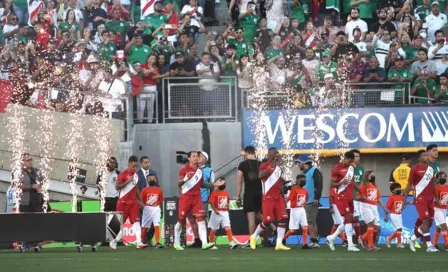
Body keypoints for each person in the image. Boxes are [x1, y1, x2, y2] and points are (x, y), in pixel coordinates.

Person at [173, 151, 224, 250]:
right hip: (186, 198)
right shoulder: (184, 170)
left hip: (197, 198)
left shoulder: (200, 171)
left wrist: (214, 185)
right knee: (181, 220)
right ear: (189, 158)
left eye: (197, 156)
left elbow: (202, 185)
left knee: (201, 219)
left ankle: (204, 243)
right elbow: (179, 184)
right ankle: (176, 242)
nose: (196, 158)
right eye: (194, 156)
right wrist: (184, 180)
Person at [249, 147, 290, 251]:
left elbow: (279, 183)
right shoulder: (264, 165)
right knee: (267, 221)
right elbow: (260, 175)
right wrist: (270, 166)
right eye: (274, 153)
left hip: (278, 198)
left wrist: (284, 198)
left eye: (277, 153)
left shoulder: (278, 168)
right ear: (269, 154)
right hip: (268, 197)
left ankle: (279, 243)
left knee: (283, 218)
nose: (277, 154)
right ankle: (253, 237)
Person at [326, 151, 365, 252]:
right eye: (350, 161)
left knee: (349, 220)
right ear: (345, 158)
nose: (350, 163)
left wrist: (361, 192)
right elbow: (332, 184)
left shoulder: (351, 168)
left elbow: (353, 183)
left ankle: (332, 237)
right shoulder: (336, 168)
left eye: (352, 161)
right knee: (348, 217)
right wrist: (341, 182)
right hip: (341, 197)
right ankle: (350, 245)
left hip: (350, 197)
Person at [236, 146, 273, 247]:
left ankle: (252, 242)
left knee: (251, 219)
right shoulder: (261, 164)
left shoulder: (242, 164)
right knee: (261, 217)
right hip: (261, 193)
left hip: (249, 193)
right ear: (254, 152)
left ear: (245, 153)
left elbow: (239, 180)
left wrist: (238, 195)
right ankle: (266, 239)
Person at [403, 150, 439, 252]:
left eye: (427, 155)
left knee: (430, 223)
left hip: (430, 198)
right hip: (420, 197)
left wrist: (436, 198)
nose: (427, 157)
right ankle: (429, 246)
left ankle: (412, 239)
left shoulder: (431, 169)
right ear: (419, 158)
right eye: (424, 155)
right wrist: (404, 199)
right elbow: (409, 185)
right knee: (425, 221)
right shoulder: (414, 169)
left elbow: (433, 185)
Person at [109, 155, 145, 249]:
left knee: (136, 222)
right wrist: (127, 181)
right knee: (119, 223)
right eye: (133, 166)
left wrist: (140, 201)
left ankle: (139, 242)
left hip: (133, 203)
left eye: (136, 166)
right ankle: (113, 241)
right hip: (123, 202)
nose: (135, 168)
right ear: (129, 164)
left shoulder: (136, 176)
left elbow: (136, 189)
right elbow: (117, 187)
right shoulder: (123, 174)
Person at [294, 154, 323, 248]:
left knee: (310, 221)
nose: (297, 165)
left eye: (298, 163)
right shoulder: (306, 173)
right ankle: (314, 241)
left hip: (312, 201)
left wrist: (316, 198)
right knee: (311, 221)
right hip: (307, 201)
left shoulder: (314, 171)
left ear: (303, 162)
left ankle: (314, 241)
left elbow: (319, 185)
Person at [189, 151, 215, 248]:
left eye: (201, 156)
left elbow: (212, 186)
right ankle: (197, 240)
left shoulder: (209, 171)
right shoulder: (191, 168)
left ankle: (206, 239)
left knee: (202, 219)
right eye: (197, 156)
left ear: (206, 159)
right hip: (190, 197)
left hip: (203, 199)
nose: (198, 157)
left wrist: (211, 199)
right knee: (191, 219)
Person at [358, 170, 388, 251]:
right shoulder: (363, 186)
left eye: (373, 175)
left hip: (374, 207)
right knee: (370, 225)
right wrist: (362, 197)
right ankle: (371, 245)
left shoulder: (375, 187)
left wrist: (384, 208)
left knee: (377, 227)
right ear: (367, 176)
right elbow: (357, 197)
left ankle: (362, 238)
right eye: (371, 175)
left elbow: (378, 199)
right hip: (365, 206)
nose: (373, 177)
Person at [281, 174, 311, 249]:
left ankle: (304, 244)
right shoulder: (294, 189)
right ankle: (283, 239)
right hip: (295, 210)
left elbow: (306, 199)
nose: (303, 182)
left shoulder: (305, 190)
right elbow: (289, 198)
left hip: (302, 209)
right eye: (302, 180)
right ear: (297, 181)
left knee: (305, 227)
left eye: (304, 180)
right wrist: (284, 205)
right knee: (293, 230)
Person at [208, 177, 238, 249]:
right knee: (213, 229)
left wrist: (227, 210)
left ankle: (231, 243)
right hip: (216, 213)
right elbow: (211, 203)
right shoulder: (214, 193)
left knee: (228, 227)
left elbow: (227, 203)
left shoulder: (226, 193)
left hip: (224, 212)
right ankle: (211, 243)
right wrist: (215, 210)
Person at [136, 156, 159, 245]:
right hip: (142, 201)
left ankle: (149, 238)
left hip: (153, 201)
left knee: (154, 222)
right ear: (141, 163)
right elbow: (136, 188)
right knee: (144, 222)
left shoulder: (153, 173)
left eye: (148, 162)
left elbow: (157, 186)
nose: (147, 164)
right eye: (145, 162)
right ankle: (144, 240)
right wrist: (139, 202)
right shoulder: (137, 174)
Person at [140, 173, 164, 249]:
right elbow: (141, 200)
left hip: (156, 208)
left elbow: (160, 200)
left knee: (156, 225)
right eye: (150, 179)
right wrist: (144, 208)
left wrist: (160, 210)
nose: (152, 180)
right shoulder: (144, 190)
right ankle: (142, 242)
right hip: (147, 208)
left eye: (153, 179)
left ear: (156, 180)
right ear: (147, 180)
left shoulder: (159, 189)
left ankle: (157, 242)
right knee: (145, 226)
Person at [385, 182, 406, 249]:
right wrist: (386, 216)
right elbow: (387, 206)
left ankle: (389, 239)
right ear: (393, 190)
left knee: (399, 229)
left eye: (399, 188)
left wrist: (407, 204)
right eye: (397, 188)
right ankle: (399, 244)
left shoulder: (401, 196)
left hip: (399, 214)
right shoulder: (391, 197)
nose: (399, 189)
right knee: (399, 229)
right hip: (393, 214)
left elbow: (403, 203)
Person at [351, 149, 364, 245]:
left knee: (355, 218)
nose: (358, 158)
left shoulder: (361, 169)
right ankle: (357, 238)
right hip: (349, 197)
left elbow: (362, 183)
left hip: (358, 197)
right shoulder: (348, 168)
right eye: (356, 156)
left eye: (359, 156)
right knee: (353, 218)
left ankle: (333, 236)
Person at [432, 171, 448, 249]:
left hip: (444, 209)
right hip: (437, 209)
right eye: (442, 176)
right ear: (437, 179)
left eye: (444, 176)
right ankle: (447, 243)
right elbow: (434, 199)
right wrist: (435, 200)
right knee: (444, 226)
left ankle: (434, 244)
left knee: (438, 227)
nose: (444, 178)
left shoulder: (447, 187)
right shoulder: (436, 188)